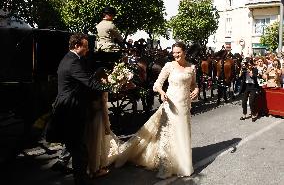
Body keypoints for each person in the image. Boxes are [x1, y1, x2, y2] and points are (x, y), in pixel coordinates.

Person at [115, 42, 199, 179]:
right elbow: (157, 85)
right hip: (170, 104)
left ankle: (183, 165)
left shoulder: (192, 67)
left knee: (182, 133)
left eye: (178, 52)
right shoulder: (169, 66)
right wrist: (161, 93)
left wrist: (196, 89)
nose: (176, 55)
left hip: (184, 105)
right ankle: (166, 166)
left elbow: (194, 84)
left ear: (184, 52)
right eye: (174, 52)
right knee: (169, 135)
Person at [52, 33, 106, 185]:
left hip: (70, 107)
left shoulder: (72, 59)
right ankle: (80, 180)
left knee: (74, 145)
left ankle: (70, 169)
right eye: (86, 47)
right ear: (77, 46)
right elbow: (89, 83)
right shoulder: (73, 62)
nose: (88, 50)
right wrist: (111, 87)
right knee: (79, 149)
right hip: (71, 109)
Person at [85, 68, 120, 178]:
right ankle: (95, 170)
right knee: (98, 144)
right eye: (106, 78)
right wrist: (107, 125)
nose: (107, 80)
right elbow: (104, 109)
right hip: (99, 118)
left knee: (90, 143)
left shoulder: (91, 86)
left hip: (90, 116)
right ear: (102, 78)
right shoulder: (103, 89)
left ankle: (89, 168)